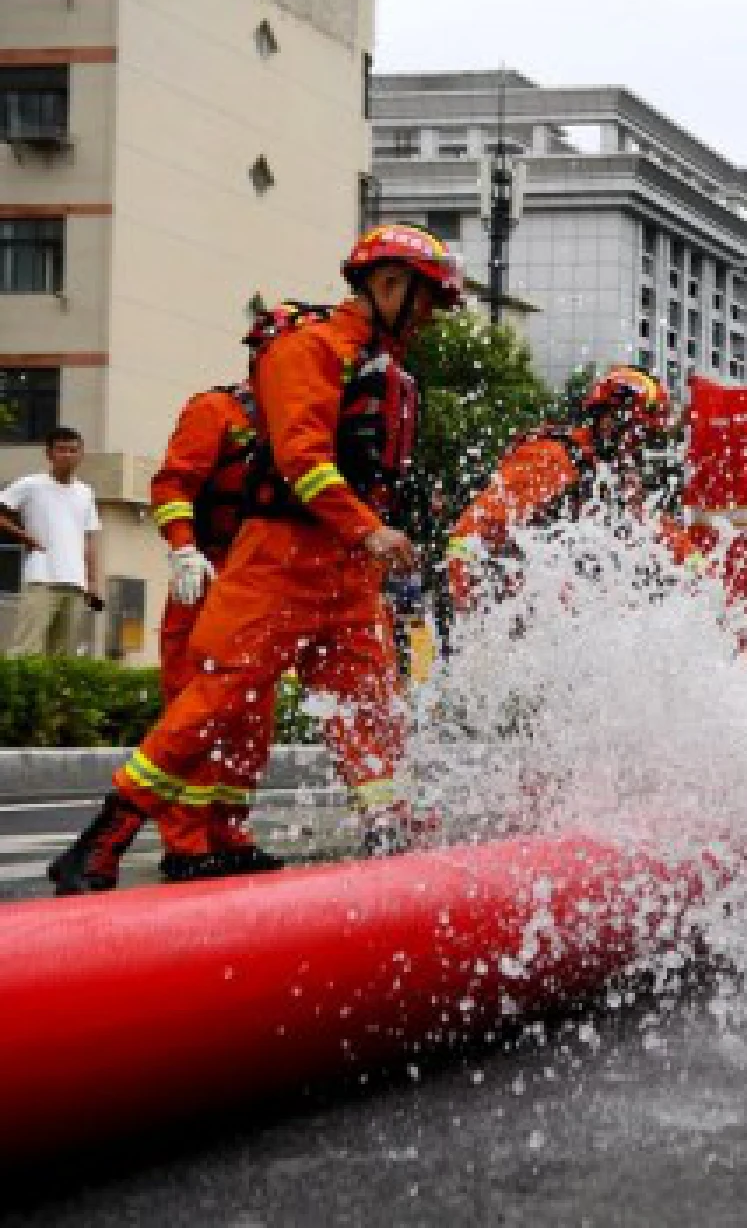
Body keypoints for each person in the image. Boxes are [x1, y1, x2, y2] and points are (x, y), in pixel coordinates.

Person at [63, 225, 461, 883]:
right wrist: (368, 532)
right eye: (424, 302)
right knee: (213, 702)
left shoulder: (380, 366)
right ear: (388, 284)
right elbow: (303, 463)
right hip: (278, 560)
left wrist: (373, 536)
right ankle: (104, 839)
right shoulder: (311, 350)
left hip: (346, 568)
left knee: (370, 704)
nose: (428, 320)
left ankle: (389, 832)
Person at [44, 307, 326, 894]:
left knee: (251, 719)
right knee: (196, 710)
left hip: (259, 581)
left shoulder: (300, 424)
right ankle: (184, 841)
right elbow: (172, 484)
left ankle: (224, 830)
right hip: (207, 577)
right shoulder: (217, 411)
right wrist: (183, 549)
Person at [444, 366, 682, 612]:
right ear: (607, 420)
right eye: (635, 435)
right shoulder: (551, 459)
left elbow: (656, 530)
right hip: (511, 611)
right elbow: (472, 530)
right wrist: (469, 615)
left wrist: (701, 573)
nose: (635, 449)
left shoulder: (613, 479)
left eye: (644, 439)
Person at [0, 427, 103, 656]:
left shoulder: (86, 492)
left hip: (75, 583)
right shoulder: (31, 484)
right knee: (27, 649)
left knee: (63, 655)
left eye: (73, 450)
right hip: (41, 579)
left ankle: (54, 694)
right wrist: (24, 536)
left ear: (81, 455)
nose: (67, 455)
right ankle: (19, 693)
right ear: (49, 454)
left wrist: (92, 582)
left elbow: (90, 538)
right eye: (61, 450)